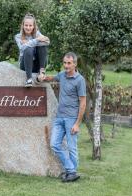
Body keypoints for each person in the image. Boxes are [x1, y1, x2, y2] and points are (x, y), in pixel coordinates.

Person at [41, 52, 86, 182]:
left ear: (75, 64)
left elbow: (83, 103)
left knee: (72, 148)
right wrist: (43, 77)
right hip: (59, 118)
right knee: (54, 144)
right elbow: (52, 78)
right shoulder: (62, 75)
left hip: (71, 119)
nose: (66, 65)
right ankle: (71, 170)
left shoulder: (80, 80)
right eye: (65, 63)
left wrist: (77, 123)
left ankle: (71, 173)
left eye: (69, 63)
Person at [15, 13, 50, 87]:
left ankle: (42, 72)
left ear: (34, 26)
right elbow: (22, 48)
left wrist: (28, 43)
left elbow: (47, 41)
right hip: (25, 65)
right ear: (23, 26)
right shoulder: (18, 36)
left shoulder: (37, 33)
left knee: (42, 46)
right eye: (26, 25)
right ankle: (29, 79)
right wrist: (36, 40)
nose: (28, 27)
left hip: (37, 64)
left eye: (30, 25)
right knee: (28, 49)